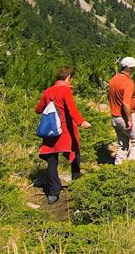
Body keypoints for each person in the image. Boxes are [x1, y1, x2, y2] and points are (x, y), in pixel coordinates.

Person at [35, 66, 90, 204]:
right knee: (74, 153)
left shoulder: (48, 91)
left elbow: (38, 109)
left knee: (52, 159)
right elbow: (71, 108)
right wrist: (81, 122)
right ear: (68, 78)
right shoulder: (66, 90)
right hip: (65, 130)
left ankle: (53, 191)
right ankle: (77, 183)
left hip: (51, 130)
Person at [108, 56, 135, 164]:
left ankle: (118, 166)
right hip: (125, 116)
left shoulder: (113, 80)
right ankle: (129, 166)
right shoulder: (128, 82)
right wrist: (129, 119)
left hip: (115, 116)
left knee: (123, 143)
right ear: (131, 68)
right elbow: (126, 103)